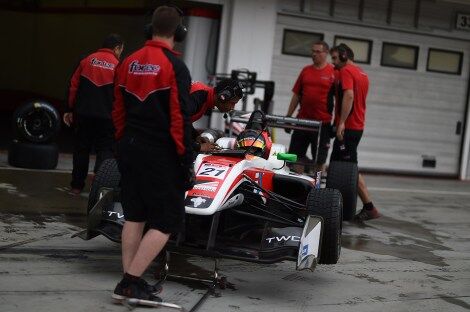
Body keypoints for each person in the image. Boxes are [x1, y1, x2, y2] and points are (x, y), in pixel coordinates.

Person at [111, 6, 194, 303]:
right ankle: (130, 282)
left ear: (150, 29)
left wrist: (121, 144)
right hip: (160, 152)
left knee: (134, 215)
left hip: (129, 148)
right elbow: (178, 118)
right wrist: (186, 159)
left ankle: (129, 283)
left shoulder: (129, 61)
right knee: (166, 221)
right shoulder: (174, 67)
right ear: (179, 32)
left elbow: (117, 111)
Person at [64, 34, 124, 195]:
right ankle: (97, 187)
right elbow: (120, 96)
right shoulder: (118, 66)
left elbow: (73, 87)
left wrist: (70, 109)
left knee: (81, 150)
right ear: (117, 48)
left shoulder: (86, 60)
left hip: (83, 115)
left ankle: (76, 187)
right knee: (105, 151)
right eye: (121, 50)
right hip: (107, 118)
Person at [330, 43, 380, 221]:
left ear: (344, 55)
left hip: (348, 127)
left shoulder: (346, 71)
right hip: (357, 126)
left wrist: (341, 122)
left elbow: (349, 95)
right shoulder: (362, 73)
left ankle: (369, 208)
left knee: (345, 169)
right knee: (345, 167)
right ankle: (366, 207)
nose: (333, 62)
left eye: (335, 58)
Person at [285, 40, 335, 173]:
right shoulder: (305, 71)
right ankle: (297, 186)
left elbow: (341, 100)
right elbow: (296, 95)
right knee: (294, 157)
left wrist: (339, 123)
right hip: (302, 121)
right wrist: (289, 117)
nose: (314, 54)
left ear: (326, 53)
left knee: (320, 160)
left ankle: (317, 190)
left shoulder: (333, 72)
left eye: (318, 52)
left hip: (322, 124)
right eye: (313, 51)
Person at [189, 79, 243, 152]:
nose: (233, 107)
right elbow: (175, 125)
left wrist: (196, 137)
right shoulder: (197, 96)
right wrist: (199, 147)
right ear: (223, 97)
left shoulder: (203, 95)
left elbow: (185, 122)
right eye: (232, 103)